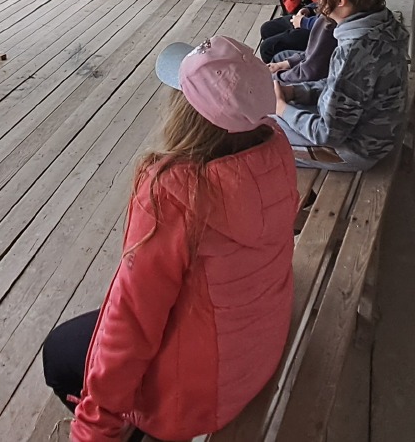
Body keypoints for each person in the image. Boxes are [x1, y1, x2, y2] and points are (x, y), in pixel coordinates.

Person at [40, 36, 297, 442]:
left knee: (59, 352)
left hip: (199, 395)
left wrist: (94, 429)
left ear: (186, 112)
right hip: (256, 350)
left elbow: (131, 320)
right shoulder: (275, 148)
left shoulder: (175, 190)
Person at [274, 0, 410, 172]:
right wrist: (297, 92)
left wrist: (282, 109)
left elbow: (327, 134)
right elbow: (341, 88)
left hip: (355, 149)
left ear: (339, 0)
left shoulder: (355, 50)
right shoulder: (383, 24)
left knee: (261, 128)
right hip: (374, 132)